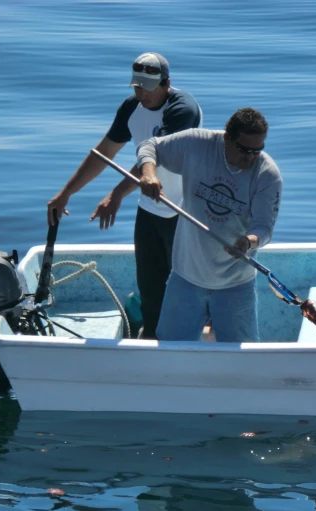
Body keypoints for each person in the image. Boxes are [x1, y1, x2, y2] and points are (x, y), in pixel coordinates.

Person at [46, 52, 202, 339]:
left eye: (148, 86)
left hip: (185, 211)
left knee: (187, 285)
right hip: (149, 210)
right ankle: (152, 338)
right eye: (136, 85)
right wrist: (65, 193)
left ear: (166, 83)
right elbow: (104, 152)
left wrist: (116, 194)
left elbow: (156, 155)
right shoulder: (132, 106)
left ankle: (198, 341)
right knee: (150, 288)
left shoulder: (183, 109)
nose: (141, 92)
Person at [136, 107, 282, 343]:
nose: (251, 157)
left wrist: (249, 241)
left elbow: (264, 228)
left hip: (236, 282)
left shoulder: (267, 174)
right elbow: (149, 146)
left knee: (241, 363)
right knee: (170, 353)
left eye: (258, 150)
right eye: (244, 150)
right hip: (186, 276)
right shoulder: (198, 144)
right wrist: (149, 172)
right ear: (227, 138)